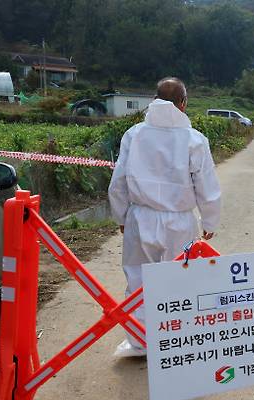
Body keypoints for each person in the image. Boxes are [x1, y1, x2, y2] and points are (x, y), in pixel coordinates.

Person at [108, 77, 221, 356]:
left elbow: (118, 181)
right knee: (179, 282)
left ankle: (139, 342)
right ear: (183, 104)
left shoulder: (134, 134)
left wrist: (121, 216)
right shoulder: (195, 140)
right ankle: (176, 342)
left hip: (140, 218)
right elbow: (207, 186)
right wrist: (209, 222)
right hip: (179, 221)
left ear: (154, 100)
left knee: (137, 282)